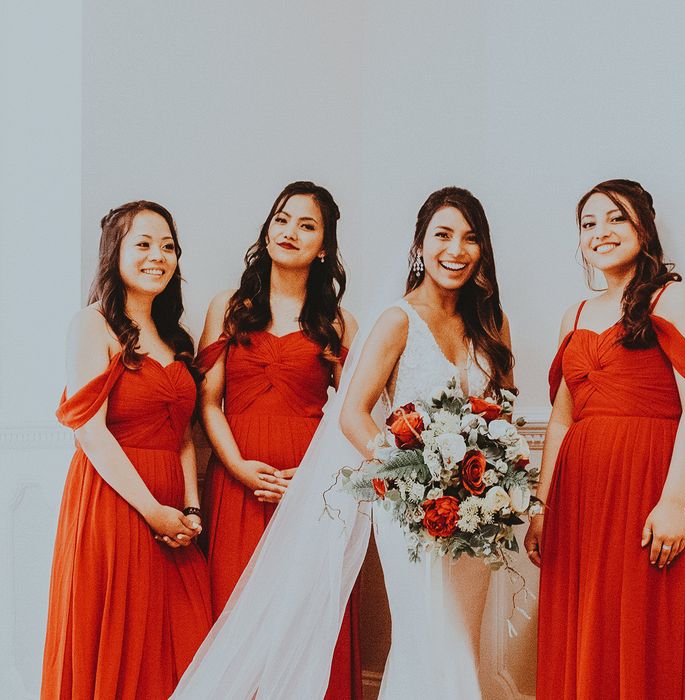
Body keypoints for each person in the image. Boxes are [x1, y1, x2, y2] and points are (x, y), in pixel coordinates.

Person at [171, 186, 514, 700]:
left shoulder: (491, 323)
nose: (456, 249)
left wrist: (500, 478)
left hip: (477, 513)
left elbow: (503, 411)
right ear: (419, 246)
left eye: (469, 238)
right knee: (426, 638)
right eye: (442, 235)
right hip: (410, 507)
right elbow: (354, 414)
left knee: (461, 642)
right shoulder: (396, 320)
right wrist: (414, 484)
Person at [525, 179, 685, 698]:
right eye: (588, 224)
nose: (601, 232)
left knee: (646, 625)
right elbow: (560, 421)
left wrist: (673, 502)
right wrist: (541, 507)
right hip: (579, 498)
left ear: (643, 225)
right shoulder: (572, 315)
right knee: (586, 623)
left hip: (645, 488)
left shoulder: (673, 297)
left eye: (615, 218)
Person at [195, 181, 361, 698]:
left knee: (305, 617)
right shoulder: (228, 306)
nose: (290, 232)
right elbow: (207, 403)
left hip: (309, 492)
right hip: (236, 483)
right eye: (282, 219)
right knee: (235, 614)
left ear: (326, 246)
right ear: (267, 228)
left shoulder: (338, 321)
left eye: (306, 225)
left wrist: (314, 483)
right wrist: (239, 467)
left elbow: (354, 417)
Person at [41, 201, 212, 699]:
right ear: (114, 252)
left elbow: (182, 435)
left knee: (182, 645)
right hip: (115, 506)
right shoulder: (92, 325)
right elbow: (90, 433)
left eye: (168, 246)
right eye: (143, 244)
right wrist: (152, 511)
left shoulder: (175, 337)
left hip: (174, 517)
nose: (158, 256)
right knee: (116, 644)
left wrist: (189, 509)